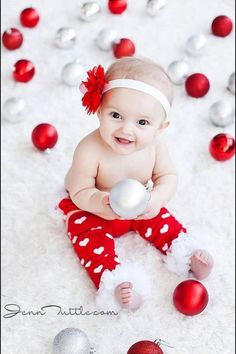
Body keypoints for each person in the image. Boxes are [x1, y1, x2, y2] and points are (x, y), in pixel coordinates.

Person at [58, 57, 214, 311]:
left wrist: (155, 201)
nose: (126, 129)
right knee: (85, 235)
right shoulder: (89, 149)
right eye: (116, 115)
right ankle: (113, 282)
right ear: (99, 110)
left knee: (160, 218)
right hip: (92, 209)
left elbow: (168, 177)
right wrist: (99, 202)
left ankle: (185, 252)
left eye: (142, 122)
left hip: (138, 205)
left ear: (160, 128)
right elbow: (79, 190)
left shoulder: (155, 147)